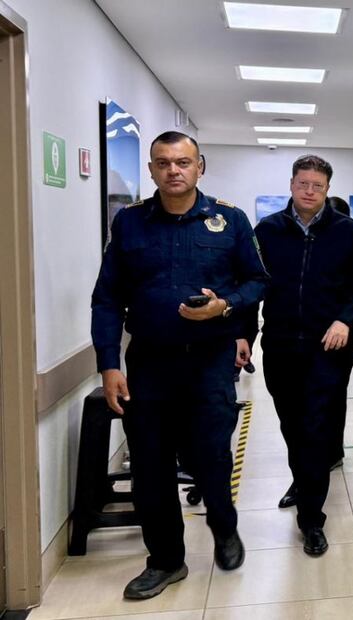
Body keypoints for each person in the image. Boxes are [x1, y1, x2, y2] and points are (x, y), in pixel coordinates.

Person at [90, 131, 267, 600]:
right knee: (150, 467)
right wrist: (108, 364)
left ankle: (224, 528)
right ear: (151, 170)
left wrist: (225, 306)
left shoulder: (228, 220)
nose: (174, 170)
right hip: (148, 364)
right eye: (164, 162)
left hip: (208, 361)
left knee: (211, 458)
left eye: (183, 162)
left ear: (200, 166)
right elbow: (107, 299)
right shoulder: (129, 224)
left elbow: (257, 281)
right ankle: (166, 561)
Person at [250, 155, 353, 556]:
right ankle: (303, 480)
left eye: (317, 186)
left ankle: (312, 519)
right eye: (303, 184)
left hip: (329, 348)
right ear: (292, 184)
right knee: (292, 425)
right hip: (280, 345)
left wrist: (345, 320)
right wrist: (242, 335)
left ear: (327, 189)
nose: (309, 191)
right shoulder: (268, 230)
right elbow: (248, 283)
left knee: (316, 427)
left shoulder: (348, 231)